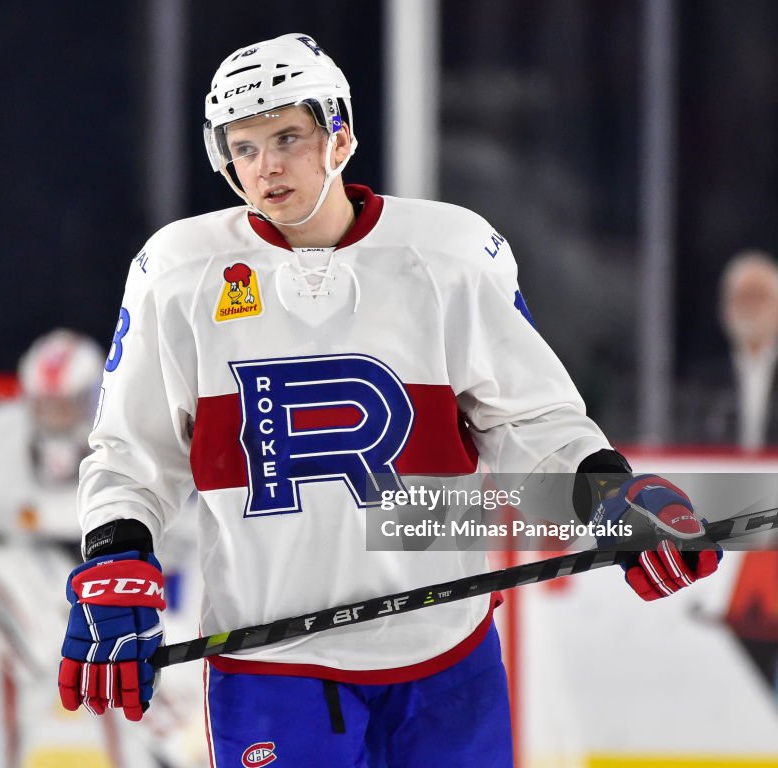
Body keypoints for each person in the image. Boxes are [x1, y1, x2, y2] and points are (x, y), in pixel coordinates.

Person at [57, 34, 721, 767]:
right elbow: (130, 453)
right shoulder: (179, 275)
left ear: (339, 134)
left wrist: (607, 498)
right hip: (273, 667)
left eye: (288, 136)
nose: (267, 166)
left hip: (443, 655)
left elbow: (530, 422)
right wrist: (117, 552)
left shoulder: (449, 255)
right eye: (244, 148)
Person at [0, 329, 166, 768]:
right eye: (44, 404)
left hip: (121, 595)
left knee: (140, 699)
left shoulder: (135, 438)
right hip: (30, 598)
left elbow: (177, 528)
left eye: (65, 404)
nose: (53, 418)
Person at [714, 249, 778, 450]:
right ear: (725, 307)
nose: (751, 306)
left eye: (760, 296)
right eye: (743, 296)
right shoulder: (702, 377)